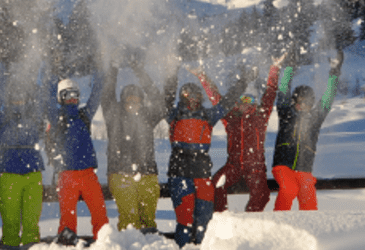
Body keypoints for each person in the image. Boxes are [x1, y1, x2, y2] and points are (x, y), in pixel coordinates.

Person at [164, 67, 246, 246]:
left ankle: (202, 246)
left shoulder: (207, 115)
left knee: (204, 220)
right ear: (182, 97)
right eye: (188, 96)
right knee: (185, 220)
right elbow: (166, 98)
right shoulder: (174, 115)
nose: (192, 100)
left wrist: (244, 81)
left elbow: (227, 102)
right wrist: (170, 71)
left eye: (195, 96)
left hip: (202, 172)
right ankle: (183, 246)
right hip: (180, 173)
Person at [196, 55, 285, 213]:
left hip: (255, 167)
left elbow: (270, 94)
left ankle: (249, 220)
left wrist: (275, 69)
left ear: (255, 103)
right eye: (243, 99)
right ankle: (221, 217)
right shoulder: (231, 118)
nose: (247, 102)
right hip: (234, 165)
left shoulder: (260, 117)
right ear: (238, 102)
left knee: (262, 195)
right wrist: (203, 78)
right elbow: (216, 98)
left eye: (251, 99)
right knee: (216, 183)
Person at [272, 51, 344, 211]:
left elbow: (327, 99)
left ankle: (309, 226)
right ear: (294, 101)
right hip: (283, 166)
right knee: (289, 189)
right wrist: (289, 67)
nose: (303, 106)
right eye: (299, 102)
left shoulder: (314, 119)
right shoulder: (286, 113)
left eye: (307, 103)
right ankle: (279, 221)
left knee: (308, 196)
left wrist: (334, 73)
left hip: (304, 168)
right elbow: (283, 91)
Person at [0, 63, 48, 248]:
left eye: (21, 95)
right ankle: (10, 246)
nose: (18, 99)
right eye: (14, 96)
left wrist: (41, 69)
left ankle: (31, 246)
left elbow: (41, 95)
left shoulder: (34, 115)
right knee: (10, 224)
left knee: (31, 224)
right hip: (8, 172)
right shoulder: (2, 117)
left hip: (33, 172)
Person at [46, 70, 108, 245]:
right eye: (67, 95)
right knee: (68, 217)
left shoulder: (84, 115)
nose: (72, 98)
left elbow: (96, 96)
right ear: (61, 97)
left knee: (99, 213)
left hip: (88, 174)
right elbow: (47, 100)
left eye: (75, 95)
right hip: (67, 176)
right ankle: (67, 243)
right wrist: (52, 73)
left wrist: (101, 70)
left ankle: (103, 243)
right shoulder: (57, 117)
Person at [102, 62, 164, 233]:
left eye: (137, 99)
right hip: (121, 174)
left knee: (148, 221)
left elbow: (159, 101)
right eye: (129, 98)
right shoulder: (113, 115)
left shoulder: (148, 117)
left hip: (148, 174)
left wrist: (140, 70)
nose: (133, 102)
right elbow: (107, 95)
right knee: (130, 222)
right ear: (123, 100)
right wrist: (113, 68)